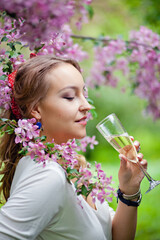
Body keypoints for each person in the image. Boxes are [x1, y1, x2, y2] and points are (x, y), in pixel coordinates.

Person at [0, 55, 147, 240]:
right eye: (70, 97)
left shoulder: (72, 166)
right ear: (35, 109)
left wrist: (129, 189)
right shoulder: (46, 174)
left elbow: (113, 235)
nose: (86, 106)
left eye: (83, 95)